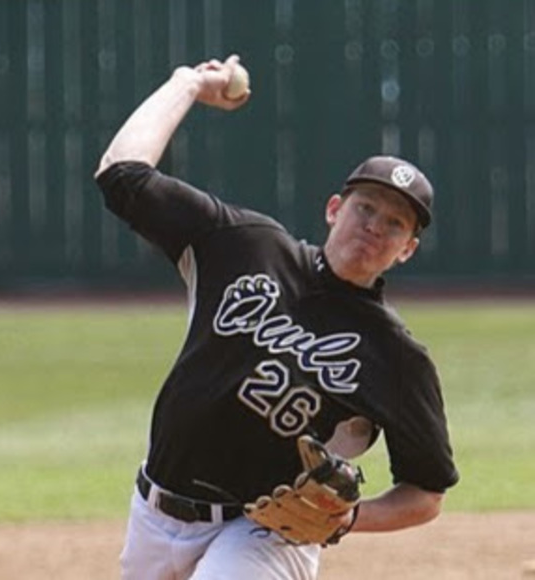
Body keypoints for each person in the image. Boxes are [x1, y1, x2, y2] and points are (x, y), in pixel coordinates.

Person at [94, 54, 459, 580]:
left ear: (407, 249)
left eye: (395, 223)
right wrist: (187, 83)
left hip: (264, 532)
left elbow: (426, 493)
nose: (375, 227)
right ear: (334, 209)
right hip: (153, 508)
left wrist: (346, 519)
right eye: (366, 208)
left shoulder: (396, 356)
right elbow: (121, 174)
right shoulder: (245, 245)